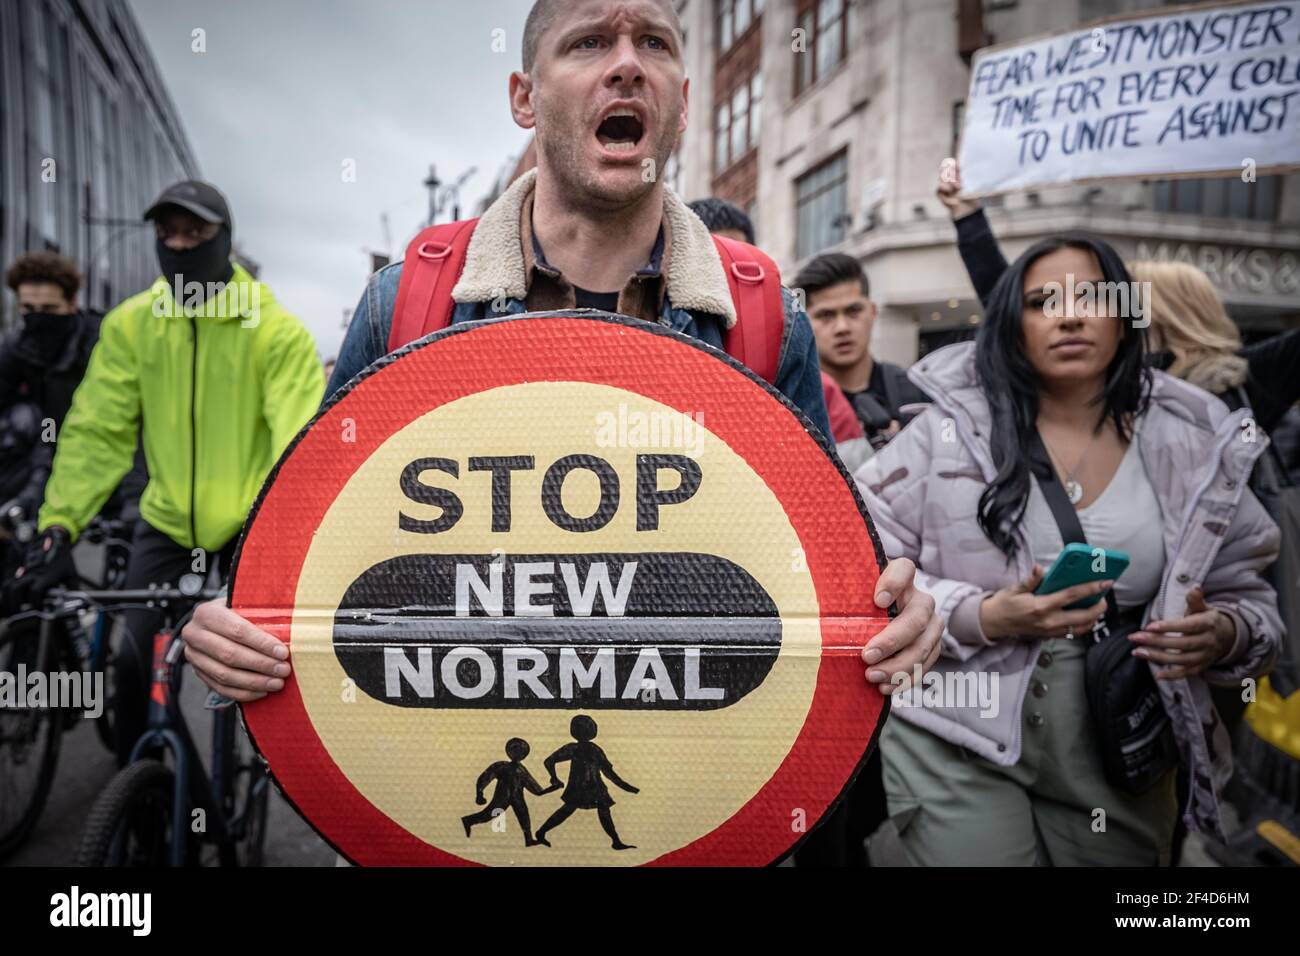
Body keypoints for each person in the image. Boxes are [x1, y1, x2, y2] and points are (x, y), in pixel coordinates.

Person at [181, 0, 944, 719]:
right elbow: (313, 547)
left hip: (685, 778)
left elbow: (824, 569)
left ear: (683, 98)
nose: (626, 65)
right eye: (588, 43)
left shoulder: (767, 316)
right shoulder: (404, 302)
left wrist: (897, 617)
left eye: (653, 42)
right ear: (524, 98)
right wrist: (236, 629)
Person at [856, 233, 1282, 865]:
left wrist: (1223, 633)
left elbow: (1254, 603)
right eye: (1042, 301)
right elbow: (862, 566)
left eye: (1092, 296)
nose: (1071, 315)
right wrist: (983, 615)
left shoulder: (1192, 442)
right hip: (954, 734)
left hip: (1119, 748)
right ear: (1012, 323)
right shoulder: (943, 433)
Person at [7, 179, 325, 764]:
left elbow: (297, 445)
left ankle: (237, 796)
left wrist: (282, 540)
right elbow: (98, 433)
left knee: (254, 674)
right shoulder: (131, 326)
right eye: (167, 233)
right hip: (167, 523)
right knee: (131, 671)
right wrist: (59, 526)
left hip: (248, 530)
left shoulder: (275, 331)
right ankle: (156, 810)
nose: (179, 244)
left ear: (222, 239)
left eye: (195, 232)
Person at [687, 197, 870, 471]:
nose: (842, 327)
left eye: (731, 256)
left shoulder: (789, 344)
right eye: (712, 258)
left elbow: (827, 488)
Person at [0, 253, 145, 536]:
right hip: (49, 460)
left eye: (49, 309)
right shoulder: (17, 347)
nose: (38, 318)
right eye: (28, 308)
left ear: (72, 303)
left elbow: (134, 424)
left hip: (113, 463)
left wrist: (134, 499)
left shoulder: (103, 342)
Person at [794, 253, 929, 451]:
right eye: (826, 316)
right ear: (804, 323)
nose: (842, 327)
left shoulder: (915, 393)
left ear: (873, 312)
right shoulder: (794, 406)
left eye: (853, 311)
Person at [535, 715, 638, 850]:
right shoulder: (582, 749)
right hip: (581, 787)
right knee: (568, 811)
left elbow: (608, 772)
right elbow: (609, 773)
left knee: (601, 811)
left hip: (594, 787)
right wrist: (554, 778)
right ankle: (541, 832)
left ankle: (616, 841)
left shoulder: (585, 749)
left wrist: (554, 777)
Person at [462, 737, 557, 846]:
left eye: (521, 750)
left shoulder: (522, 770)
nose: (518, 753)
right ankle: (468, 820)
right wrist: (479, 793)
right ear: (509, 750)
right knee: (489, 814)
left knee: (524, 816)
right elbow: (485, 777)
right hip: (502, 798)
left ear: (524, 754)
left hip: (517, 798)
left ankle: (529, 839)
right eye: (515, 749)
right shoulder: (502, 766)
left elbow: (537, 791)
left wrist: (554, 787)